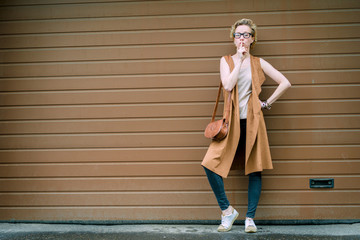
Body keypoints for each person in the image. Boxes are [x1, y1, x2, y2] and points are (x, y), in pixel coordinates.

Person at [201, 18, 291, 233]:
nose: (242, 38)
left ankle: (250, 218)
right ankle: (227, 211)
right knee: (209, 163)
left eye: (246, 34)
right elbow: (229, 85)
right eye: (238, 34)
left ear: (253, 39)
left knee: (255, 169)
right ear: (233, 39)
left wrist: (266, 103)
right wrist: (240, 60)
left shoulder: (259, 62)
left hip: (253, 122)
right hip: (230, 124)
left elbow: (285, 82)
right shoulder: (226, 61)